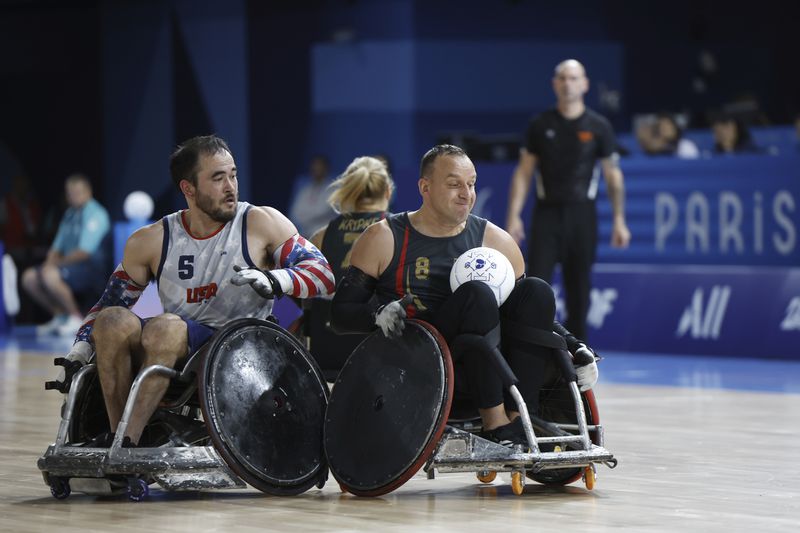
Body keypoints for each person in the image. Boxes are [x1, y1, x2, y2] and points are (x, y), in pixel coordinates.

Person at [55, 135, 335, 447]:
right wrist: (80, 348)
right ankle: (120, 439)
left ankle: (128, 441)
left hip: (237, 347)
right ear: (188, 189)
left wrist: (275, 280)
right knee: (112, 321)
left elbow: (323, 275)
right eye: (218, 178)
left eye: (233, 174)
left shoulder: (260, 222)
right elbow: (107, 304)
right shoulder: (152, 240)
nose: (230, 187)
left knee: (165, 326)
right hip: (177, 342)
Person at [330, 145, 598, 447]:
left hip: (492, 365)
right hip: (423, 362)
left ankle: (521, 417)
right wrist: (376, 316)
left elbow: (534, 314)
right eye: (454, 184)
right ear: (425, 187)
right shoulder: (383, 237)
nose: (466, 193)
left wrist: (576, 345)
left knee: (536, 289)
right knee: (477, 295)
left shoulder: (497, 240)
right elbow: (340, 315)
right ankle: (494, 423)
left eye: (471, 184)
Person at [505, 59, 631, 341]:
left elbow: (613, 176)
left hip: (582, 215)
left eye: (574, 78)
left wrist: (619, 220)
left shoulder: (599, 126)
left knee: (579, 290)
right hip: (546, 214)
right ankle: (532, 348)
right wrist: (513, 216)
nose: (567, 83)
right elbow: (524, 173)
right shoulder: (540, 125)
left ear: (585, 84)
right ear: (554, 84)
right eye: (562, 78)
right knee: (536, 285)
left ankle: (578, 353)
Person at [305, 155, 393, 380]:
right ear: (388, 192)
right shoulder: (400, 233)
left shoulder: (319, 237)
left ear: (349, 193)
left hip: (327, 355)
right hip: (381, 356)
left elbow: (295, 300)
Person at [21, 173, 110, 337]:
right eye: (70, 193)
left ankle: (76, 318)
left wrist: (54, 265)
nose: (73, 197)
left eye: (78, 192)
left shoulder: (96, 214)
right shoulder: (69, 214)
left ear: (88, 192)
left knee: (49, 274)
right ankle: (60, 316)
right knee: (29, 278)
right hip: (69, 266)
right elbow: (56, 247)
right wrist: (49, 261)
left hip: (91, 268)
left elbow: (84, 252)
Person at [288, 154, 336, 237]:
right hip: (305, 234)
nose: (317, 170)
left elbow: (323, 210)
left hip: (325, 235)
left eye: (320, 167)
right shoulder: (305, 190)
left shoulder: (333, 189)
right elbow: (295, 212)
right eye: (315, 167)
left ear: (326, 169)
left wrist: (306, 215)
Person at [635, 113, 699, 159]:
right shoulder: (651, 145)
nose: (664, 129)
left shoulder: (686, 145)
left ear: (675, 127)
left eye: (668, 126)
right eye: (661, 126)